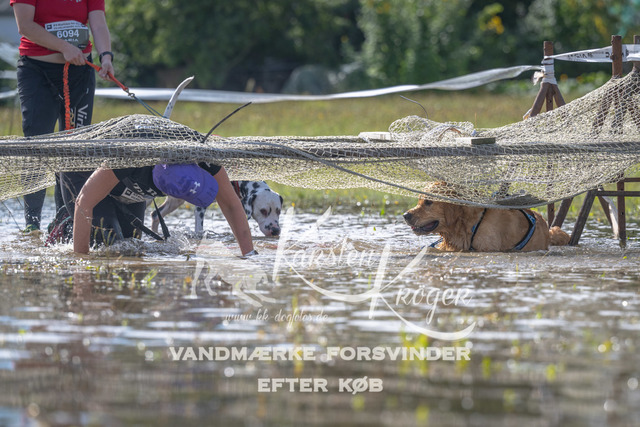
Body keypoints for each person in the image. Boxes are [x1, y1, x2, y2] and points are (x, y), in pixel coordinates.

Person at [11, 0, 114, 232]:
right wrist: (63, 47)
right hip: (37, 72)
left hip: (80, 73)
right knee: (37, 145)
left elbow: (98, 24)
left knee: (73, 148)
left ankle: (65, 220)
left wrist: (106, 56)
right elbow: (25, 25)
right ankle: (32, 224)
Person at [72, 162, 255, 256]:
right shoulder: (132, 158)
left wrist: (249, 255)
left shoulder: (205, 159)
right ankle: (64, 226)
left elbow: (231, 205)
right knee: (107, 245)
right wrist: (80, 265)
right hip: (85, 179)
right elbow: (84, 201)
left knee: (131, 248)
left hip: (132, 191)